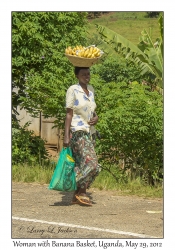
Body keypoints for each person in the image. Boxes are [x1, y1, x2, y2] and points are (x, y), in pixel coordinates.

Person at [63, 66, 101, 206]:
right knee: (92, 163)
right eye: (84, 74)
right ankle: (77, 188)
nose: (87, 76)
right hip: (77, 130)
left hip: (90, 131)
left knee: (88, 165)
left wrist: (96, 118)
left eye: (88, 73)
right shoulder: (73, 89)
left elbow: (92, 111)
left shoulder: (91, 90)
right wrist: (66, 135)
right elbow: (69, 113)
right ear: (77, 76)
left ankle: (79, 193)